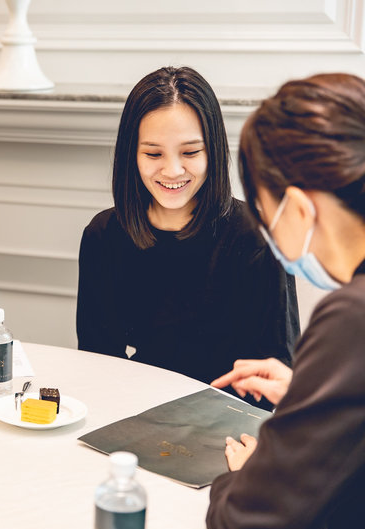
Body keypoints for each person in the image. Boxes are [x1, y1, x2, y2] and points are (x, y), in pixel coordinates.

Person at [76, 66, 299, 405]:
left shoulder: (257, 238)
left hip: (233, 419)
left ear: (213, 151)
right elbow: (98, 361)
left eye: (191, 152)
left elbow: (277, 373)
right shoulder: (104, 236)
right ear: (130, 154)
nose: (172, 170)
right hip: (137, 409)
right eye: (153, 153)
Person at [207, 73, 365, 529]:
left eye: (263, 213)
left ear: (296, 209)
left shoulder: (351, 318)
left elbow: (244, 521)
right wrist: (312, 394)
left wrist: (253, 473)